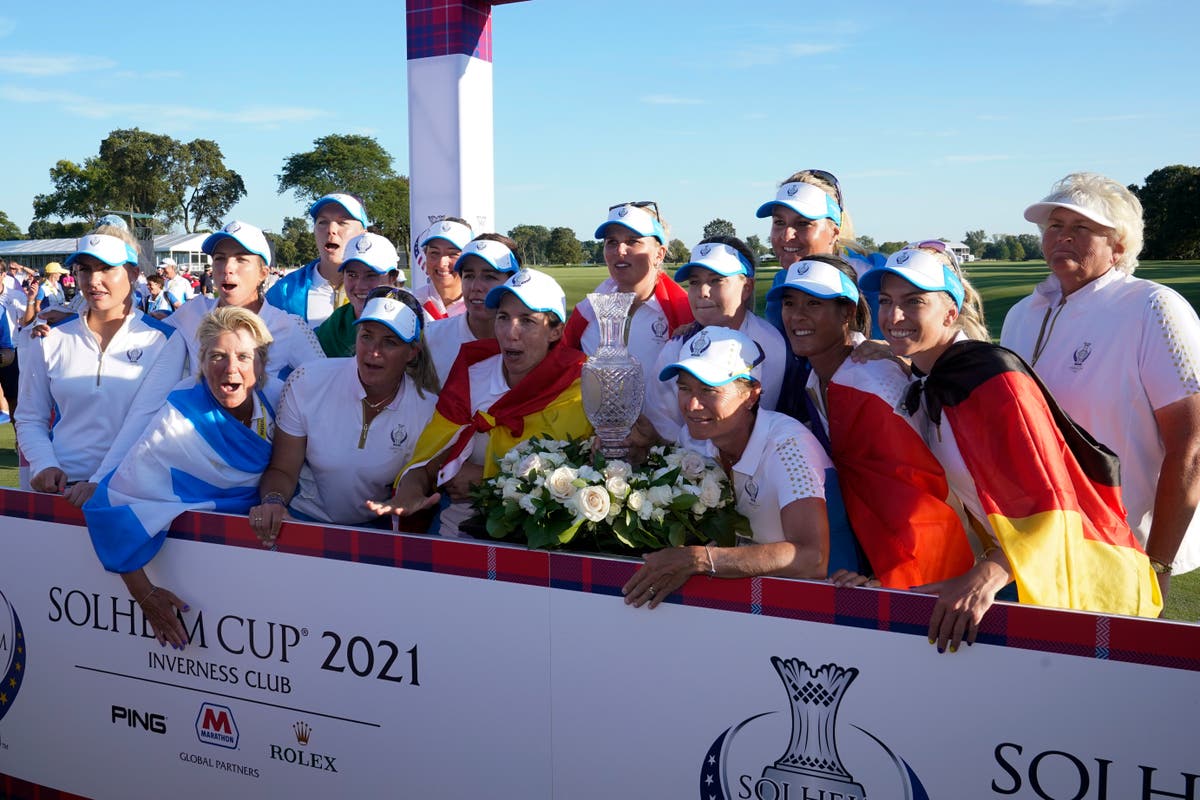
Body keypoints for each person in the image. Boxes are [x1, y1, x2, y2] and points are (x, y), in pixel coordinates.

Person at [860, 245, 1162, 651]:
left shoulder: (993, 378)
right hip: (1034, 577)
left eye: (913, 302)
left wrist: (989, 574)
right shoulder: (935, 378)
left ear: (951, 313)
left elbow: (1058, 501)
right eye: (885, 302)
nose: (893, 317)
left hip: (1091, 588)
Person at [1001, 172, 1200, 601]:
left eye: (1081, 228)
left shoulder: (1153, 307)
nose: (1062, 238)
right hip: (1032, 548)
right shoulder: (1023, 314)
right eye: (1054, 226)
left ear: (1120, 245)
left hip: (1121, 552)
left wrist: (1157, 566)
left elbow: (1192, 445)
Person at [771, 255, 973, 589]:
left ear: (847, 312)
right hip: (876, 565)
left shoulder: (871, 383)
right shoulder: (818, 376)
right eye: (789, 303)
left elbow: (920, 500)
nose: (797, 315)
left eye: (813, 303)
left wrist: (891, 583)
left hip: (926, 578)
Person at [83, 307, 277, 649]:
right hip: (191, 574)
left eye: (244, 357)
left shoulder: (274, 405)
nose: (231, 368)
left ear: (261, 365)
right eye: (217, 356)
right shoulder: (176, 422)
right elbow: (109, 506)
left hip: (251, 573)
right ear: (202, 363)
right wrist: (144, 595)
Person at [622, 327, 843, 609]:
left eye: (709, 390)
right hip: (757, 606)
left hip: (828, 612)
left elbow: (812, 558)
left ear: (751, 394)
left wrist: (698, 559)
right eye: (684, 388)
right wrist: (645, 453)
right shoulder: (693, 438)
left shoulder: (789, 445)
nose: (691, 404)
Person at [88, 220, 324, 483]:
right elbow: (140, 333)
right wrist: (74, 318)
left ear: (263, 272)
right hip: (196, 461)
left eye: (241, 259)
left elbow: (326, 389)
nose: (227, 269)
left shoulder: (289, 327)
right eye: (220, 259)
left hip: (260, 467)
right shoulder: (192, 312)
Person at [373, 268, 593, 537]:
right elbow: (429, 458)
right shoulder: (472, 374)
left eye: (527, 321)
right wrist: (409, 493)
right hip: (459, 535)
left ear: (556, 331)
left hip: (544, 543)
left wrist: (487, 479)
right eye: (503, 317)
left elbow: (589, 478)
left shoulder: (584, 387)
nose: (511, 333)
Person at [251, 288, 439, 542]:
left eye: (390, 342)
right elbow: (283, 469)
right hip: (302, 521)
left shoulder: (427, 407)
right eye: (367, 337)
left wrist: (412, 493)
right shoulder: (308, 380)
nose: (373, 351)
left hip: (375, 531)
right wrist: (273, 501)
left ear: (412, 353)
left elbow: (418, 473)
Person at [14, 233, 177, 503]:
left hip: (134, 491)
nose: (93, 280)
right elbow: (31, 416)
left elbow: (145, 420)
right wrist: (43, 463)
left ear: (134, 273)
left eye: (107, 269)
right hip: (61, 489)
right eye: (85, 270)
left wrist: (102, 481)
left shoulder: (163, 340)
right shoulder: (48, 338)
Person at [642, 236, 787, 443]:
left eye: (716, 280)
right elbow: (662, 424)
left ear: (747, 287)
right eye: (694, 282)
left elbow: (760, 423)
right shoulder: (677, 345)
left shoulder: (772, 344)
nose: (702, 292)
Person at [563, 202, 693, 391]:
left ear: (660, 254)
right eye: (612, 242)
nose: (620, 250)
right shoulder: (586, 313)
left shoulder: (685, 316)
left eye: (633, 241)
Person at [424, 234, 522, 384]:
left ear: (513, 282)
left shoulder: (530, 344)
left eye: (489, 277)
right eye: (469, 276)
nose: (476, 287)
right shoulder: (430, 338)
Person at [266, 192, 368, 328]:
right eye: (323, 222)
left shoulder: (380, 291)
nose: (331, 230)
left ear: (363, 233)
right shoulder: (283, 292)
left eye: (342, 222)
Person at [315, 232, 404, 357]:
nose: (360, 285)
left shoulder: (408, 321)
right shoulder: (335, 325)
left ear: (392, 278)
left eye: (371, 275)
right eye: (352, 275)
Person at [412, 218, 473, 322]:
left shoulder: (481, 308)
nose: (441, 263)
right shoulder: (411, 304)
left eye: (453, 254)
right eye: (434, 253)